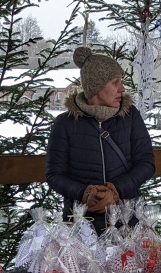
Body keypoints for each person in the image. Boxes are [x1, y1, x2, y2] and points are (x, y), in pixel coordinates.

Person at [46, 47, 154, 232]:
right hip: (81, 226)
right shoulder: (65, 123)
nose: (122, 88)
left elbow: (146, 164)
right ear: (96, 87)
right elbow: (54, 175)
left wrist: (115, 192)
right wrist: (85, 193)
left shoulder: (130, 116)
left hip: (127, 222)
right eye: (115, 82)